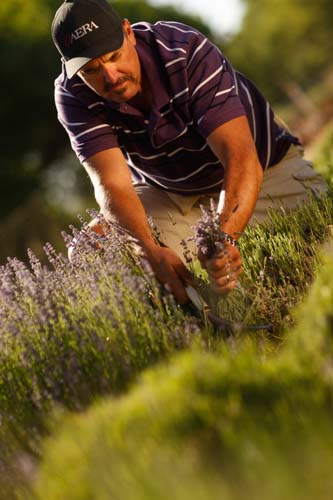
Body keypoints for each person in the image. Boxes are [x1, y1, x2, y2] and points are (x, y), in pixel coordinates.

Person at [51, 0, 326, 304]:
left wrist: (222, 237)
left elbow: (240, 157)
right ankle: (189, 327)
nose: (111, 76)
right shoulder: (71, 93)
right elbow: (112, 185)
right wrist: (149, 251)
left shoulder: (182, 49)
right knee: (89, 251)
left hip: (262, 171)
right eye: (92, 70)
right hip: (170, 194)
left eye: (114, 56)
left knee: (323, 224)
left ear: (128, 32)